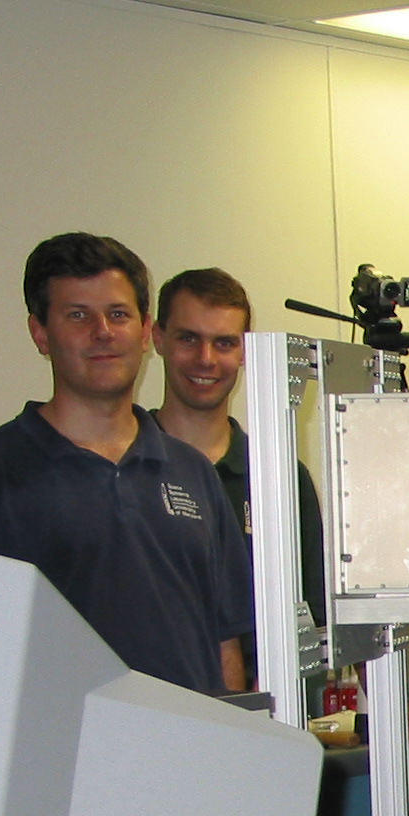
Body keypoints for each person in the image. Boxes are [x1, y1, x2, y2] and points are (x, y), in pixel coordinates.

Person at [0, 232, 248, 693]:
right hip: (55, 740)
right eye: (78, 315)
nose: (103, 331)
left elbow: (224, 644)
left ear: (145, 331)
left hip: (187, 738)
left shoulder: (192, 472)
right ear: (40, 333)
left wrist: (234, 734)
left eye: (118, 314)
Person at [151, 267, 327, 672]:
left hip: (262, 700)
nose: (206, 359)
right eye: (188, 338)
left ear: (245, 350)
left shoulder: (280, 478)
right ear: (158, 338)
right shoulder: (124, 468)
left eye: (224, 343)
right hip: (147, 699)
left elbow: (314, 618)